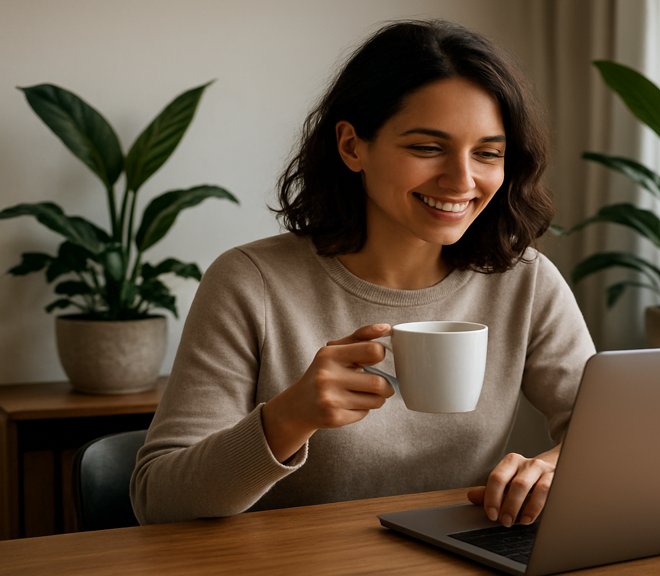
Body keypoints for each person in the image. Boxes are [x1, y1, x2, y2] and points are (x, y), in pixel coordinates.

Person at [130, 19, 595, 528]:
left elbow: (610, 434)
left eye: (487, 153)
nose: (462, 180)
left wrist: (552, 469)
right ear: (352, 146)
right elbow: (158, 498)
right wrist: (289, 418)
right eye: (427, 147)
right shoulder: (250, 283)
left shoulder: (524, 281)